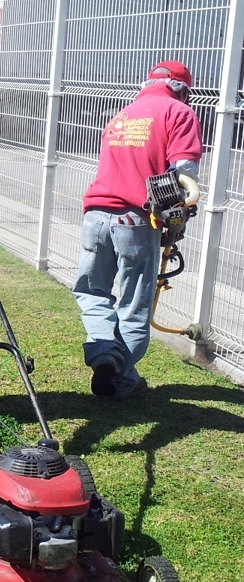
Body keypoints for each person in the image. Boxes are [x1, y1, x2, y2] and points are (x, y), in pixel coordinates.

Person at [72, 60, 202, 400]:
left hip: (96, 215)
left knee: (92, 292)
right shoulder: (178, 113)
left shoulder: (122, 116)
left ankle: (103, 356)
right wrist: (179, 218)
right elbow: (183, 171)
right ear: (182, 89)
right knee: (134, 304)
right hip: (135, 218)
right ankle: (122, 379)